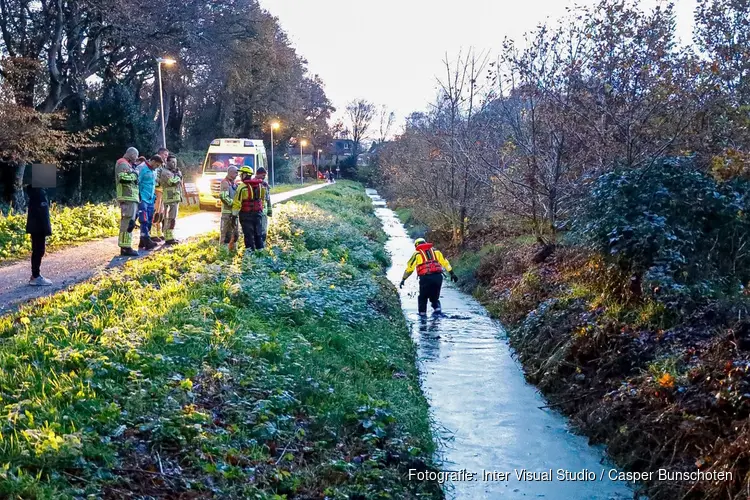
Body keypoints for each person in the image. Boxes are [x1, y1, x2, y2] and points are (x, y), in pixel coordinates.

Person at [399, 238, 458, 317]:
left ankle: (422, 316)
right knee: (434, 297)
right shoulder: (436, 252)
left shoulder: (417, 254)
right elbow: (445, 263)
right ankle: (437, 312)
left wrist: (403, 279)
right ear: (425, 243)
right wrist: (452, 273)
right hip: (438, 277)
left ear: (416, 245)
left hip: (425, 278)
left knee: (423, 298)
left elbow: (409, 269)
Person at [231, 166, 267, 251]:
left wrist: (234, 216)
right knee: (258, 234)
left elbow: (237, 203)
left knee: (248, 235)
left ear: (245, 175)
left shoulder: (241, 187)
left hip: (245, 215)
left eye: (241, 174)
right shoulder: (260, 185)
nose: (240, 176)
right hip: (258, 213)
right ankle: (260, 252)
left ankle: (250, 254)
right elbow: (262, 200)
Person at [115, 147, 140, 257]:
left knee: (130, 222)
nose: (137, 158)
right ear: (132, 154)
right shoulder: (122, 163)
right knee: (127, 222)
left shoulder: (128, 165)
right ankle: (125, 248)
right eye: (136, 155)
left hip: (131, 197)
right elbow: (123, 178)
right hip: (127, 196)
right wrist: (135, 174)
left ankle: (126, 245)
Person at [26, 184, 52, 286]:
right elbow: (42, 214)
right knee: (39, 250)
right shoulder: (38, 193)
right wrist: (46, 229)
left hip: (37, 227)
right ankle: (35, 276)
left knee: (38, 250)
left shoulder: (38, 192)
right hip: (38, 227)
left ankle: (35, 276)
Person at [137, 155, 163, 250]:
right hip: (143, 197)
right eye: (156, 165)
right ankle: (147, 240)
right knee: (143, 219)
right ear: (152, 161)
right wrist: (139, 195)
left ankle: (142, 240)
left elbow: (153, 184)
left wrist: (154, 196)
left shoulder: (154, 170)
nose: (156, 167)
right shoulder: (141, 168)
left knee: (150, 219)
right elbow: (136, 182)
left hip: (151, 198)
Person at [160, 154, 182, 245]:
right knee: (169, 218)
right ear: (167, 162)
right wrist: (178, 176)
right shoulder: (165, 172)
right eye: (172, 162)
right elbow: (172, 182)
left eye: (175, 162)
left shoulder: (173, 172)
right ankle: (168, 238)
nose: (174, 164)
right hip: (169, 198)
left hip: (175, 198)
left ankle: (171, 236)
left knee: (173, 219)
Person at [219, 165, 239, 251]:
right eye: (235, 172)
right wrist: (234, 204)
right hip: (227, 213)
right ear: (230, 173)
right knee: (225, 233)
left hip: (234, 213)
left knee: (234, 233)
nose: (237, 174)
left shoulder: (234, 183)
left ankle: (233, 251)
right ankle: (223, 252)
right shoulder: (225, 182)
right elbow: (223, 197)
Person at [254, 166, 273, 245]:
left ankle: (262, 246)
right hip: (256, 212)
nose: (264, 177)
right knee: (257, 231)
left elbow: (268, 199)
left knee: (264, 231)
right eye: (263, 176)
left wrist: (269, 211)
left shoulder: (265, 185)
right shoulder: (253, 184)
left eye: (265, 176)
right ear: (257, 174)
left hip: (263, 212)